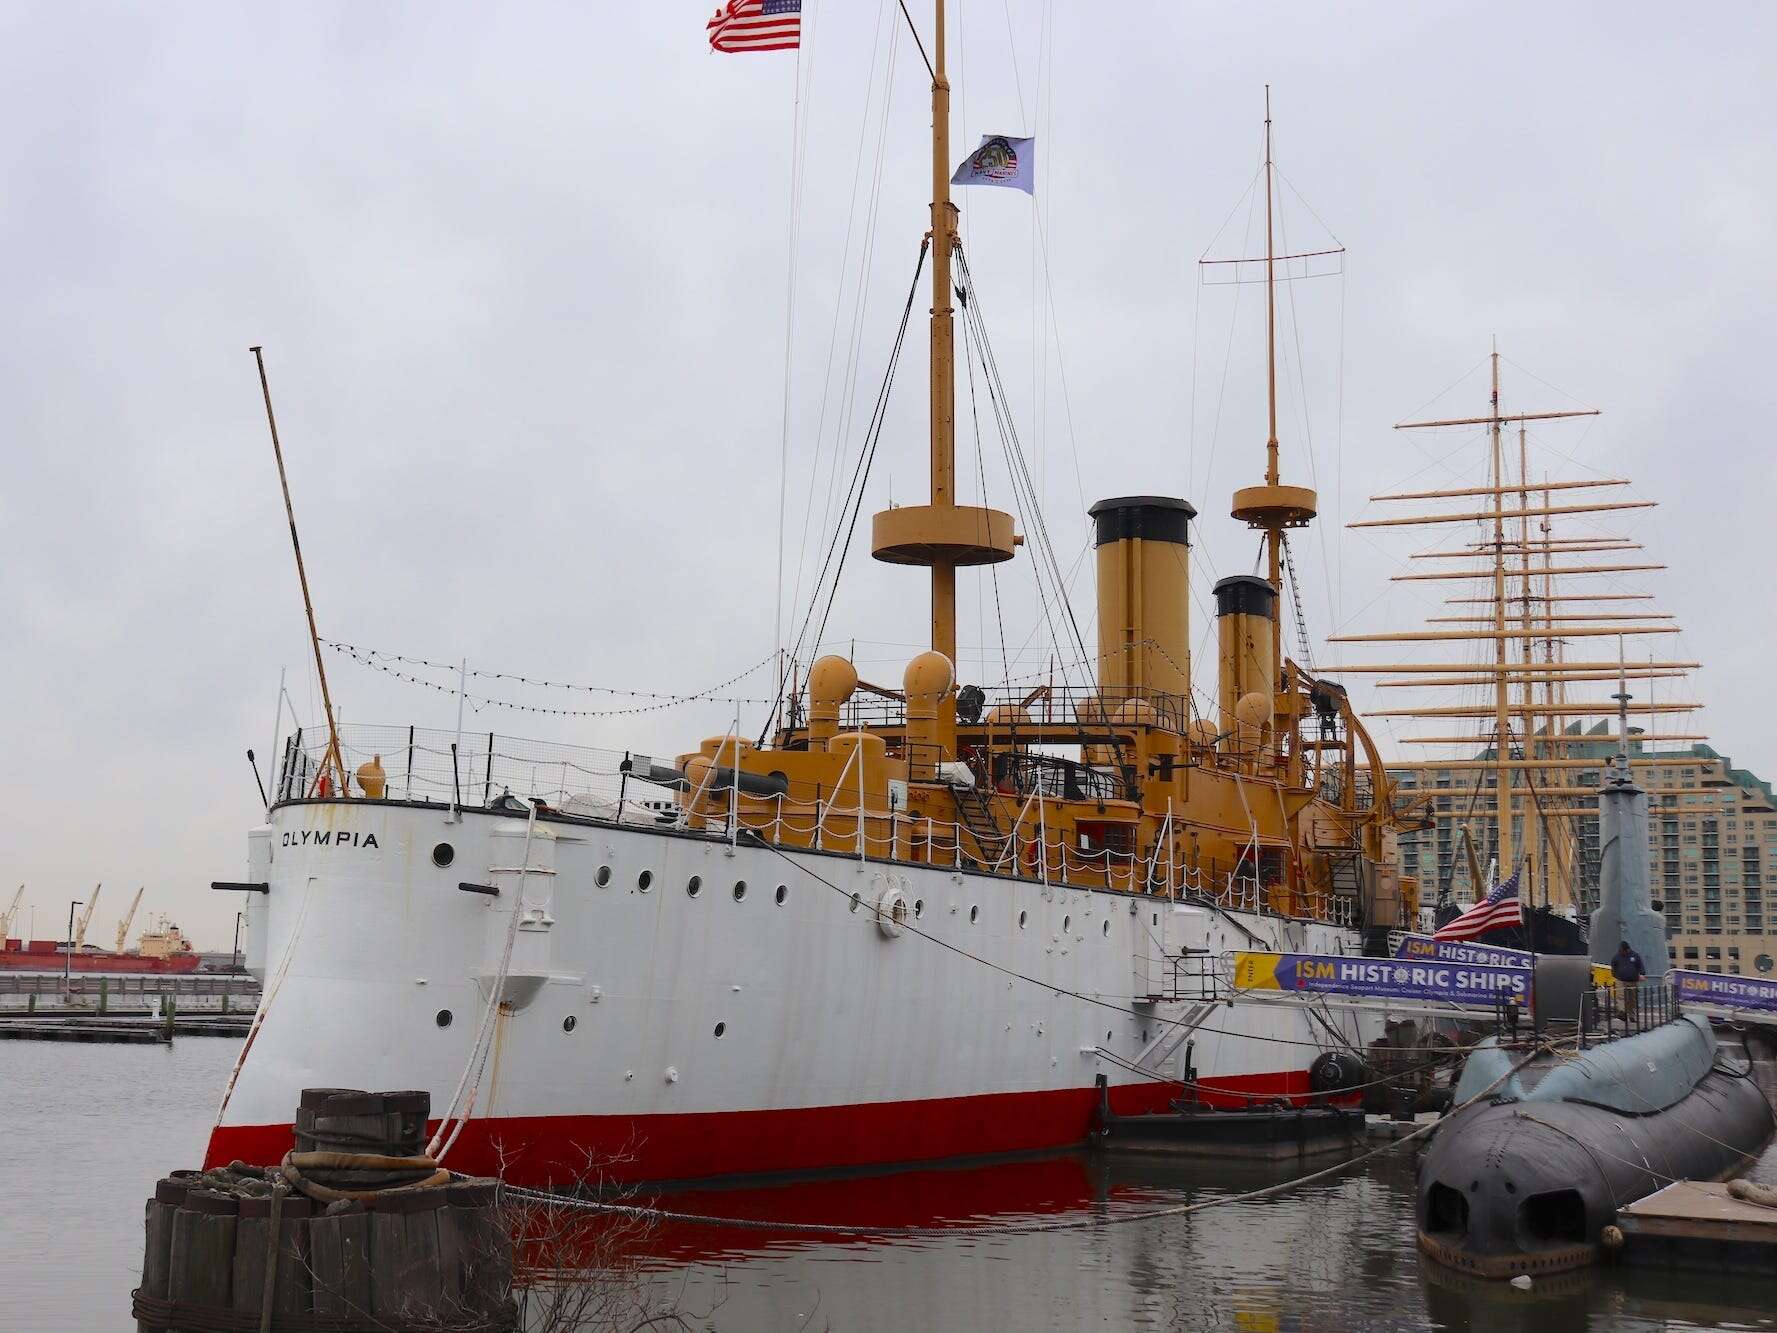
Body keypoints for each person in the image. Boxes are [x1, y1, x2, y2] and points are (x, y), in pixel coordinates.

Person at [1612, 939, 1646, 1027]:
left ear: (1627, 949)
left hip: (1632, 980)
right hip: (1620, 980)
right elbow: (1613, 968)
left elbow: (1640, 966)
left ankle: (1632, 1015)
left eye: (1624, 950)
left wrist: (1642, 974)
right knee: (1620, 996)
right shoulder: (1616, 957)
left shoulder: (1635, 956)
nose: (1622, 952)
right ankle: (1622, 1012)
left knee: (1632, 999)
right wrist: (1617, 976)